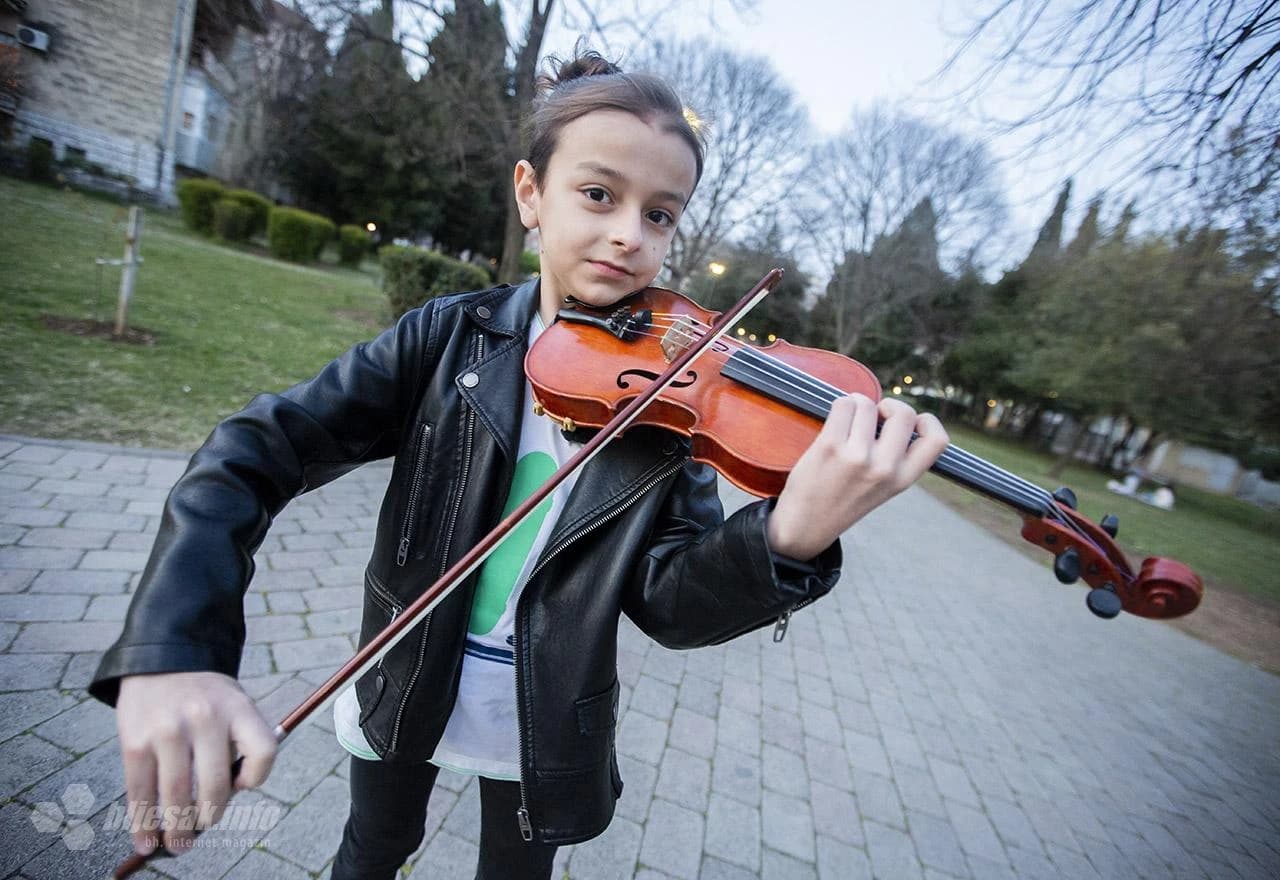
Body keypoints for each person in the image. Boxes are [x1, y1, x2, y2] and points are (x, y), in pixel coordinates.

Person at [89, 50, 948, 879]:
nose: (627, 236)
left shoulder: (674, 409)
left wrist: (788, 536)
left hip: (543, 719)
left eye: (659, 214)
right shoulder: (446, 338)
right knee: (370, 851)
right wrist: (176, 646)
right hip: (403, 676)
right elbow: (255, 449)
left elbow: (670, 604)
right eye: (599, 194)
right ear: (532, 194)